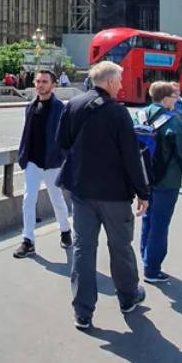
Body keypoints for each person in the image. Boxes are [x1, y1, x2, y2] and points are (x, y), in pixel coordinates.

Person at [55, 60, 149, 331]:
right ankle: (128, 298)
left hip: (82, 191)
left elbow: (62, 143)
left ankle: (82, 312)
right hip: (114, 194)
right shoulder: (118, 113)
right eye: (119, 81)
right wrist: (142, 192)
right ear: (109, 82)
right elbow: (131, 157)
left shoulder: (72, 106)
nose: (120, 85)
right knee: (119, 246)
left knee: (84, 249)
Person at [139, 82, 182, 284]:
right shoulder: (172, 122)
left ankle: (145, 256)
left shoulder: (140, 115)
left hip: (144, 178)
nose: (177, 99)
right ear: (165, 98)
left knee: (148, 219)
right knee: (160, 224)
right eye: (175, 96)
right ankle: (152, 268)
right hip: (167, 179)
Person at [13, 69, 72, 258]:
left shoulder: (60, 108)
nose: (40, 85)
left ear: (53, 85)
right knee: (28, 199)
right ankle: (28, 240)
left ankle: (65, 230)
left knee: (57, 199)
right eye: (38, 81)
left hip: (51, 162)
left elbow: (66, 136)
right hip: (32, 161)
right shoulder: (30, 106)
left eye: (44, 82)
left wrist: (61, 156)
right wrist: (22, 155)